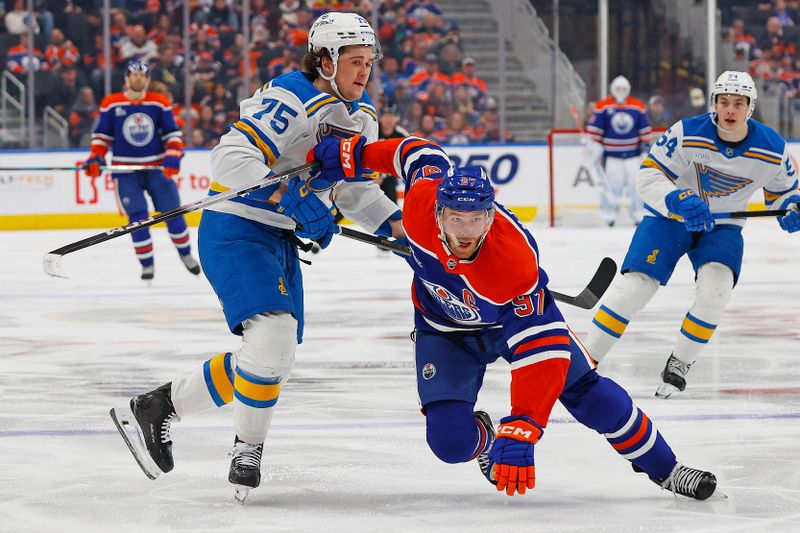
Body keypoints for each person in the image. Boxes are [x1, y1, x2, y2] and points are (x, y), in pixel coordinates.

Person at [309, 135, 718, 500]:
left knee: (591, 396)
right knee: (450, 443)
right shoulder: (418, 205)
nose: (466, 231)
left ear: (491, 215)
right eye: (456, 218)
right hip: (444, 329)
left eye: (477, 218)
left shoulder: (513, 265)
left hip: (507, 324)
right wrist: (358, 155)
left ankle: (667, 469)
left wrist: (523, 426)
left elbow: (544, 352)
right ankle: (483, 439)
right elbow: (415, 152)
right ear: (438, 213)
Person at [109, 12, 401, 503]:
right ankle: (247, 447)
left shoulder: (362, 116)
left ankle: (159, 406)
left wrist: (400, 229)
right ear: (325, 61)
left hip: (279, 240)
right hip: (237, 229)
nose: (364, 71)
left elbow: (354, 192)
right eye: (354, 60)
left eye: (369, 61)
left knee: (273, 356)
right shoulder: (293, 97)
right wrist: (289, 197)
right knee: (272, 338)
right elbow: (230, 159)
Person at [583, 71, 800, 398]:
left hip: (723, 226)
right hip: (670, 218)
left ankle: (680, 363)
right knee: (635, 288)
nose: (730, 109)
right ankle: (584, 361)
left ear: (750, 107)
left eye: (738, 103)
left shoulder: (772, 147)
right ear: (714, 103)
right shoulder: (686, 132)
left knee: (716, 291)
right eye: (723, 101)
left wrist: (791, 208)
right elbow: (648, 176)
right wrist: (677, 198)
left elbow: (785, 193)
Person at [85, 60, 200, 281]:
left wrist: (173, 154)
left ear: (147, 80)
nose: (138, 78)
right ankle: (147, 264)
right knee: (137, 217)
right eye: (134, 74)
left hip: (156, 168)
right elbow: (102, 137)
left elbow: (172, 134)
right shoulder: (111, 104)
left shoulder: (159, 102)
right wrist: (95, 157)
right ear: (126, 78)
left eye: (142, 75)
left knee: (173, 212)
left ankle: (186, 254)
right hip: (125, 171)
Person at [585, 75, 652, 226]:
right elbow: (595, 130)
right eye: (618, 88)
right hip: (612, 156)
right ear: (613, 89)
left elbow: (644, 129)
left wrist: (646, 146)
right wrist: (593, 146)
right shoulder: (603, 106)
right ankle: (609, 215)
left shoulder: (637, 106)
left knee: (636, 186)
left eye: (623, 89)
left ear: (628, 89)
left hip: (633, 156)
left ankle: (638, 214)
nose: (621, 91)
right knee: (612, 187)